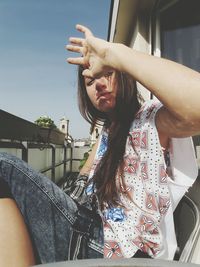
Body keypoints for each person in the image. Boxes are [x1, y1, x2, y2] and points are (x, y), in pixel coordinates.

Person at [0, 24, 200, 266]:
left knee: (5, 167)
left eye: (108, 73)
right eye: (90, 81)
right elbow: (89, 166)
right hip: (91, 230)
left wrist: (116, 55)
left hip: (116, 250)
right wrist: (76, 185)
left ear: (125, 74)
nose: (99, 85)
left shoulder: (150, 119)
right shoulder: (109, 130)